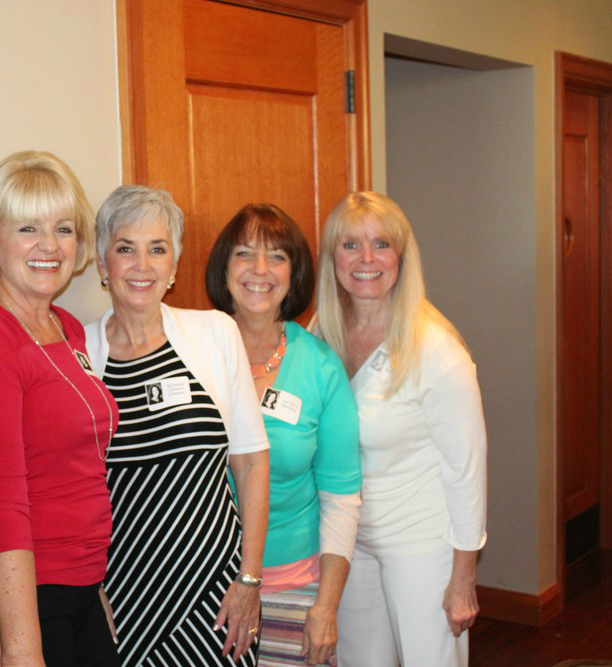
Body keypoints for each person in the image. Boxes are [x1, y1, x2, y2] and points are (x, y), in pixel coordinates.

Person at [0, 151, 119, 667]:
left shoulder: (65, 326)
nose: (49, 246)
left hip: (82, 587)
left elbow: (80, 473)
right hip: (29, 598)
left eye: (64, 229)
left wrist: (97, 598)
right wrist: (20, 649)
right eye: (28, 228)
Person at [85, 185, 271, 666]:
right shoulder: (78, 353)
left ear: (174, 264)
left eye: (157, 249)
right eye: (126, 249)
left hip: (218, 596)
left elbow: (252, 463)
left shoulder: (215, 332)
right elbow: (68, 490)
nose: (142, 265)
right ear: (102, 262)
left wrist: (250, 579)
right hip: (122, 597)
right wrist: (89, 591)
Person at [315, 192, 487, 667]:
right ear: (333, 257)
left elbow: (466, 470)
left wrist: (463, 577)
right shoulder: (321, 331)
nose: (366, 259)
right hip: (349, 544)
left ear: (402, 257)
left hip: (422, 546)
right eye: (351, 244)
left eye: (382, 244)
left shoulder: (437, 350)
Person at [206, 204, 362, 666]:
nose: (259, 269)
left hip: (295, 586)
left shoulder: (320, 367)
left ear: (294, 276)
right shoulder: (192, 350)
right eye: (244, 253)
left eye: (277, 256)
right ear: (223, 269)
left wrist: (326, 608)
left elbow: (341, 497)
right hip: (200, 586)